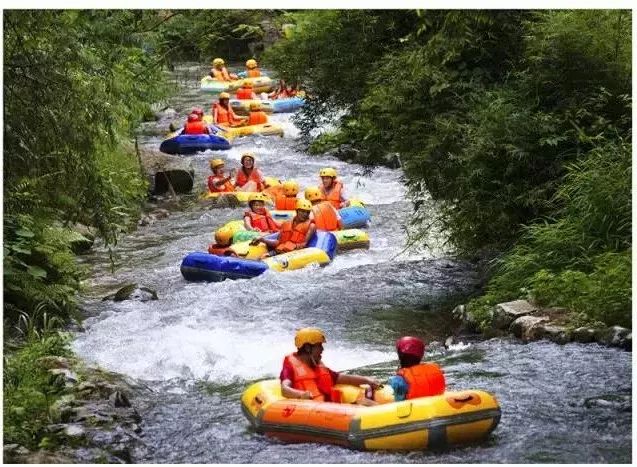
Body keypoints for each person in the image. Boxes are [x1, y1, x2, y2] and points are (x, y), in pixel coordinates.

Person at [280, 328, 380, 405]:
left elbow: (343, 378)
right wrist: (301, 395)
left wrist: (367, 380)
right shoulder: (290, 367)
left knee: (364, 402)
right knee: (364, 404)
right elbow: (285, 389)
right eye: (319, 346)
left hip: (328, 410)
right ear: (307, 348)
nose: (322, 349)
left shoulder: (318, 367)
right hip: (311, 411)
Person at [386, 336, 446, 401]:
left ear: (400, 356)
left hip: (412, 408)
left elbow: (397, 397)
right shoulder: (436, 369)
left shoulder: (399, 379)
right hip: (438, 405)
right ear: (421, 355)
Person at [251, 199, 315, 255]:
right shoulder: (286, 224)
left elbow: (304, 244)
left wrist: (293, 246)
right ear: (297, 211)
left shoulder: (311, 226)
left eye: (307, 212)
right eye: (302, 211)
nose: (305, 214)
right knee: (264, 256)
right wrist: (263, 240)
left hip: (294, 254)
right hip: (280, 251)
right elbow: (278, 243)